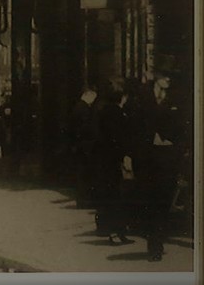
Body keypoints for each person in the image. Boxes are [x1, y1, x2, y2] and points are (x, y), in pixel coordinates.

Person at [134, 72, 186, 262]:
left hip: (168, 160)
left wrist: (175, 148)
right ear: (157, 78)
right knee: (150, 202)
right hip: (147, 160)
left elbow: (182, 128)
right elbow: (136, 127)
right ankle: (153, 244)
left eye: (170, 78)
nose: (168, 81)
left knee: (163, 202)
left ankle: (157, 242)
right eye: (165, 77)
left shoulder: (176, 99)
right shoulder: (143, 96)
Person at [91, 80, 134, 245]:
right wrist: (124, 156)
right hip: (112, 161)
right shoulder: (114, 113)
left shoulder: (106, 111)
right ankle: (115, 232)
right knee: (114, 197)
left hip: (107, 161)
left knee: (115, 197)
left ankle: (119, 232)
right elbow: (116, 138)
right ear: (122, 97)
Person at [67, 87, 99, 208]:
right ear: (88, 96)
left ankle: (82, 199)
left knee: (81, 174)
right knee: (84, 174)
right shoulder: (84, 109)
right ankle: (84, 200)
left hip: (79, 146)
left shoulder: (77, 107)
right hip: (85, 147)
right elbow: (86, 129)